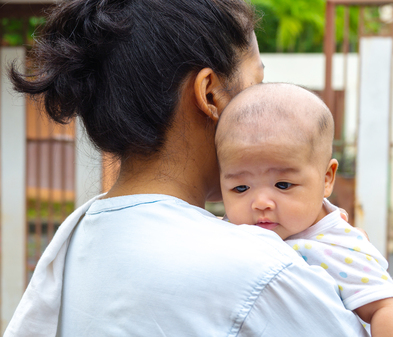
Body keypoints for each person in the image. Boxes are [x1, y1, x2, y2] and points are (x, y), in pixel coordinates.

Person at [5, 1, 370, 336]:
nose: (264, 104)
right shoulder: (261, 270)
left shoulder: (73, 245)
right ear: (209, 94)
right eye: (255, 85)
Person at [216, 83, 393, 337]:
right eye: (241, 188)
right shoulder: (228, 229)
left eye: (283, 184)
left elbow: (386, 307)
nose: (260, 202)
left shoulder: (339, 244)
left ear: (327, 179)